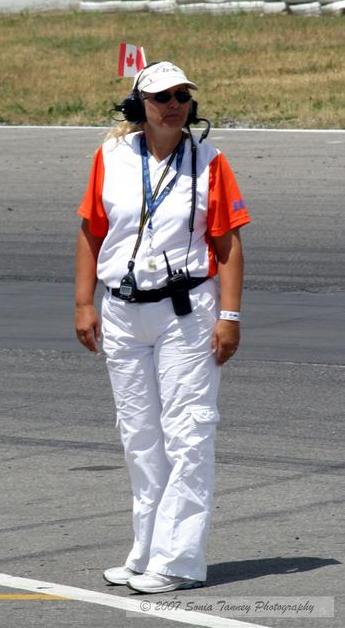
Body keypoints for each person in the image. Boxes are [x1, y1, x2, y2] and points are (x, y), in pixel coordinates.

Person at [74, 61, 251, 594]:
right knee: (139, 437)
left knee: (188, 433)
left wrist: (229, 316)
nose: (174, 105)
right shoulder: (111, 157)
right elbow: (91, 231)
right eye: (161, 97)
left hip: (187, 315)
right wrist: (84, 303)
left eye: (182, 96)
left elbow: (229, 243)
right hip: (122, 311)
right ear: (139, 106)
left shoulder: (210, 162)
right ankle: (146, 552)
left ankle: (178, 561)